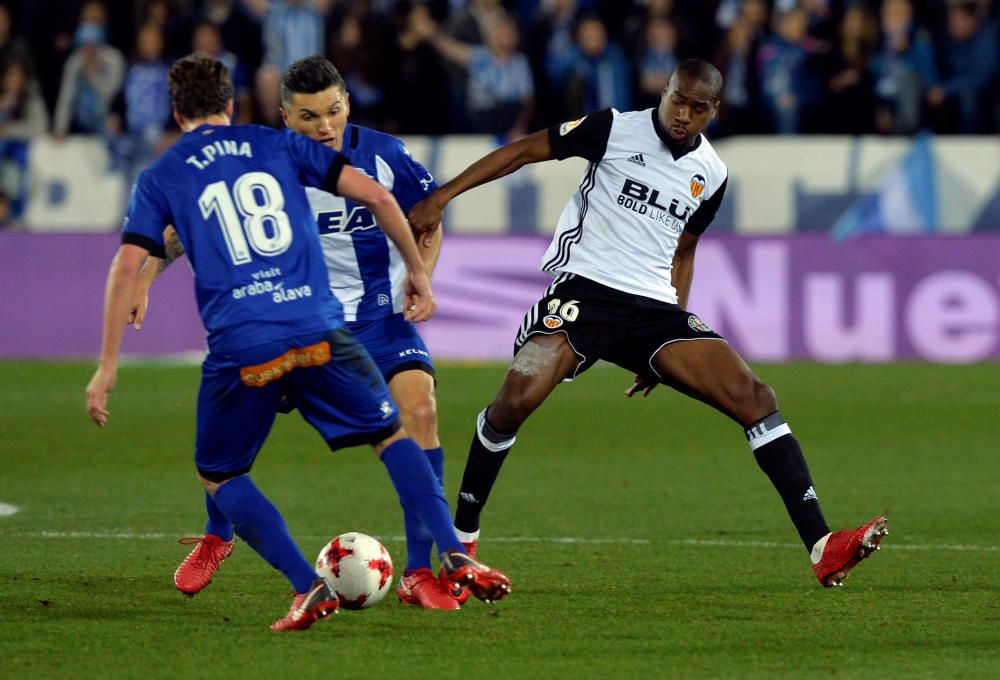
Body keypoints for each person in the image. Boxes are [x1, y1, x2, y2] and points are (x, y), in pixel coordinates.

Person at [408, 58, 888, 590]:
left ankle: (822, 546)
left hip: (654, 311)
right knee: (514, 401)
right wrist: (440, 197)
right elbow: (524, 152)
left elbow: (685, 250)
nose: (683, 114)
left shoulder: (713, 173)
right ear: (664, 92)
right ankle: (462, 541)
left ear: (713, 111)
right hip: (584, 291)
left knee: (756, 396)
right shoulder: (613, 127)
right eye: (677, 100)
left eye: (697, 107)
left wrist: (669, 337)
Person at [85, 53, 510, 631]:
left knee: (420, 411)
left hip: (374, 319)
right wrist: (149, 280)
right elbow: (179, 234)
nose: (326, 127)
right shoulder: (275, 157)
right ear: (286, 117)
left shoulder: (385, 154)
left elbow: (425, 217)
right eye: (310, 117)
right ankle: (217, 535)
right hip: (310, 318)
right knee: (249, 447)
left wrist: (422, 275)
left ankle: (418, 570)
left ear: (348, 104)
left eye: (334, 111)